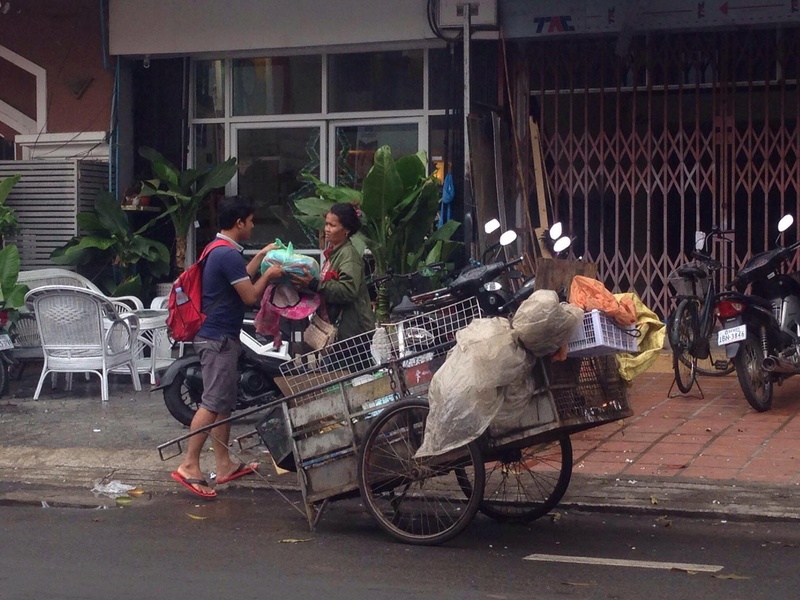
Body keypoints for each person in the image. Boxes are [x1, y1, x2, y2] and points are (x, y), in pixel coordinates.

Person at [171, 195, 283, 499]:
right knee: (212, 403)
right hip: (218, 338)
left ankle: (223, 465)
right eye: (250, 220)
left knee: (223, 405)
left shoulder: (217, 249)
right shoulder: (227, 255)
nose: (253, 224)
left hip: (217, 336)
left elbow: (239, 278)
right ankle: (189, 464)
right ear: (239, 223)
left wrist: (260, 257)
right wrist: (270, 276)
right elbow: (249, 296)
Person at [292, 202, 375, 341]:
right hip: (337, 333)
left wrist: (315, 284)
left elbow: (348, 291)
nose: (327, 229)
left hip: (352, 335)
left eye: (332, 225)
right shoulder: (335, 253)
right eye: (326, 224)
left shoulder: (348, 254)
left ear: (346, 230)